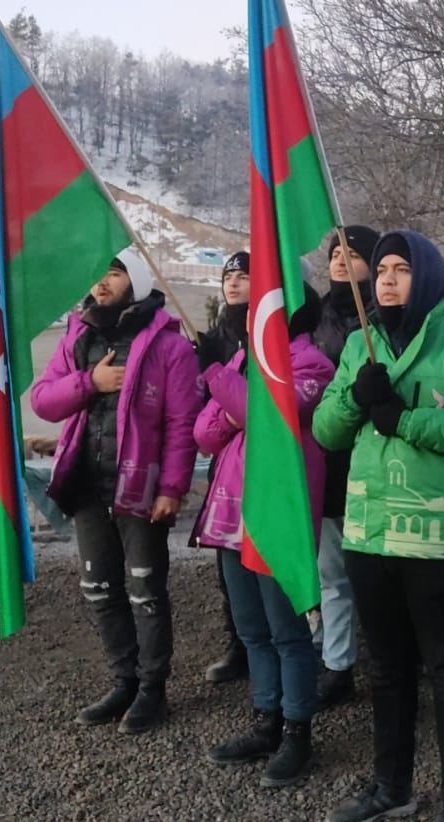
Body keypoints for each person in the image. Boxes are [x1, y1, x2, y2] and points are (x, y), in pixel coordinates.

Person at [312, 229, 444, 822]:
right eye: (382, 271)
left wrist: (402, 417)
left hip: (439, 536)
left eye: (402, 268)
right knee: (388, 667)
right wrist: (356, 394)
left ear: (428, 274)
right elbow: (325, 429)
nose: (389, 280)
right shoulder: (358, 342)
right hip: (370, 531)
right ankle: (390, 785)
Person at [32, 251, 204, 735]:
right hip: (87, 484)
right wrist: (92, 381)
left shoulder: (168, 345)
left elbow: (181, 423)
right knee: (100, 589)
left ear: (137, 279)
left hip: (141, 489)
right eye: (98, 273)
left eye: (113, 273)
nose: (101, 283)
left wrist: (172, 487)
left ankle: (153, 689)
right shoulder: (78, 334)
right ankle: (122, 681)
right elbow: (44, 401)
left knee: (146, 590)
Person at [195, 283, 334, 786]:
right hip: (234, 515)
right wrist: (235, 394)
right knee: (251, 628)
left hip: (279, 514)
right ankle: (265, 718)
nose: (249, 313)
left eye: (260, 306)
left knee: (287, 632)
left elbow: (271, 414)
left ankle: (298, 730)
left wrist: (224, 386)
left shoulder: (313, 364)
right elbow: (205, 433)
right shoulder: (242, 363)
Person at [312, 225, 380, 710]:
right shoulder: (308, 317)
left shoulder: (383, 322)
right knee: (331, 573)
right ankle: (338, 663)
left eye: (353, 253)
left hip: (378, 466)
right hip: (325, 461)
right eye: (336, 252)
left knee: (378, 575)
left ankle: (392, 657)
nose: (341, 260)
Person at [193, 251, 252, 685]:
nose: (233, 283)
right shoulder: (214, 337)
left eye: (244, 276)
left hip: (262, 465)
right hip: (225, 465)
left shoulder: (269, 332)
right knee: (227, 567)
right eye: (228, 276)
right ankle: (238, 644)